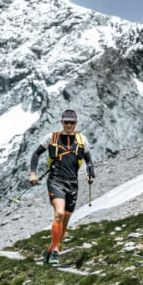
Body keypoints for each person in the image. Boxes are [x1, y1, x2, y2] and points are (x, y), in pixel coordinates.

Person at [29, 109, 95, 266]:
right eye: (66, 122)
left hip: (73, 183)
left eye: (71, 122)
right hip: (56, 181)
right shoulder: (52, 138)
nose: (69, 125)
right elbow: (35, 154)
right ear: (62, 122)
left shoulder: (82, 140)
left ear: (76, 123)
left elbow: (89, 161)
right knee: (59, 213)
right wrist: (33, 173)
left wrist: (90, 174)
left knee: (64, 227)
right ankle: (56, 252)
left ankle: (50, 251)